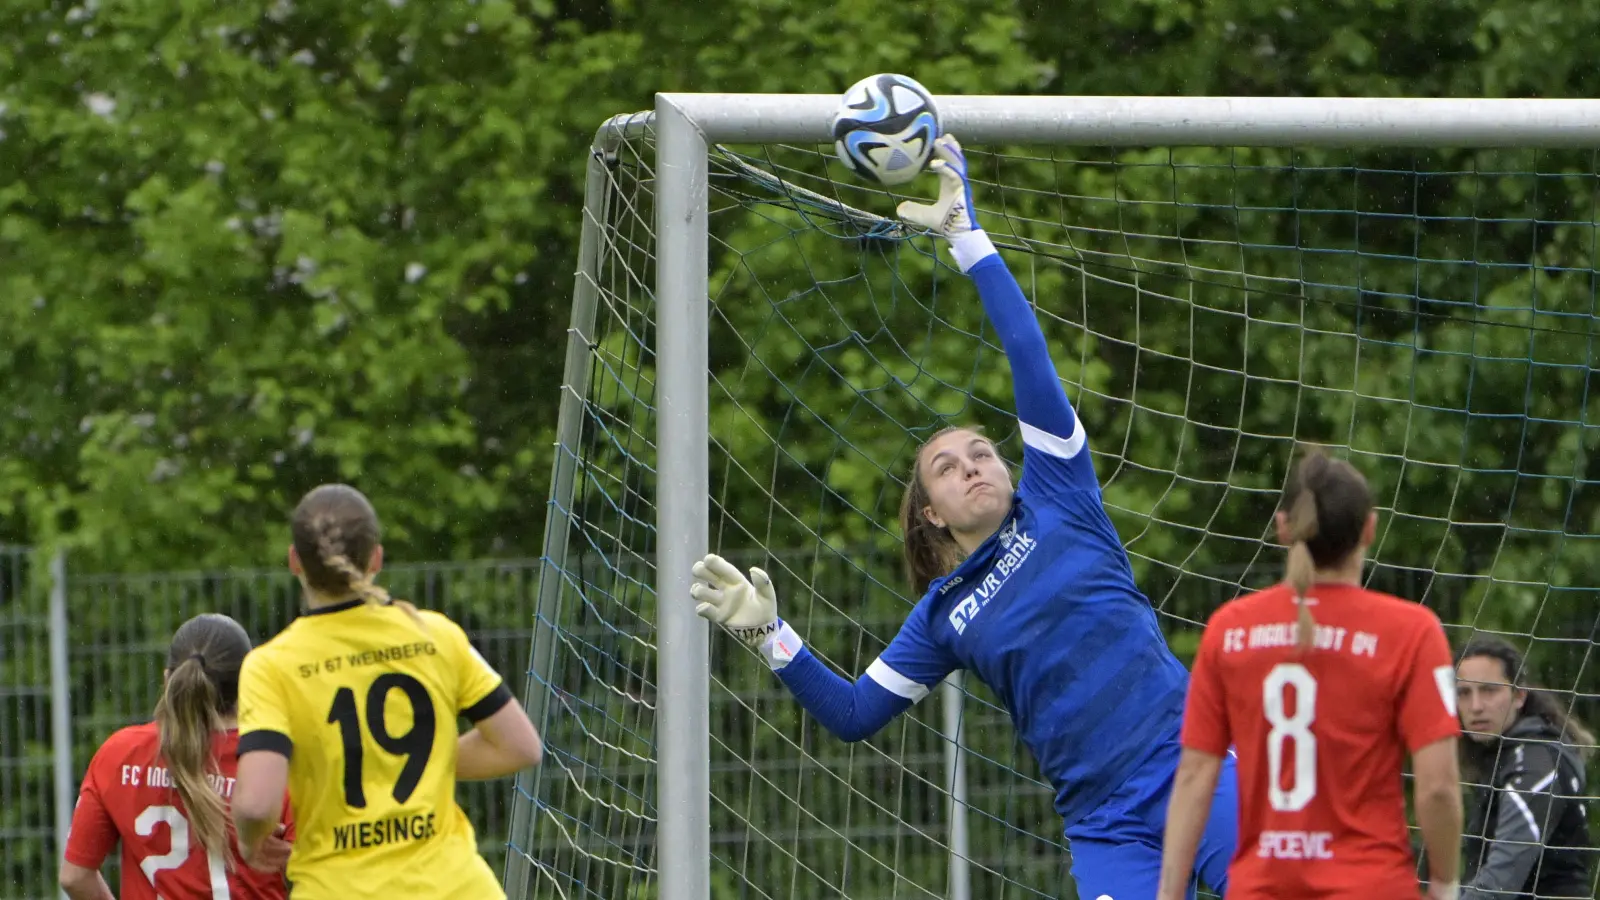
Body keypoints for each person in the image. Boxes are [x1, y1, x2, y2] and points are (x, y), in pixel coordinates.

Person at [689, 135, 1239, 899]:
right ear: (932, 518)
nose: (972, 464)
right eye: (946, 467)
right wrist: (766, 636)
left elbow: (1027, 354)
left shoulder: (1061, 495)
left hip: (1193, 766)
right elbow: (853, 714)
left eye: (981, 451)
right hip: (1103, 825)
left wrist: (966, 239)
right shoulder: (943, 615)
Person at [1155, 450, 1464, 900]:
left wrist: (1167, 894)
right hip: (1372, 886)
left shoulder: (1230, 630)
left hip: (1263, 887)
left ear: (1283, 527)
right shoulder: (1412, 633)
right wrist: (1445, 884)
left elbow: (1194, 776)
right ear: (1370, 529)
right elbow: (1438, 788)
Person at [231, 483, 543, 899]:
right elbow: (520, 747)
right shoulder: (435, 633)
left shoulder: (272, 666)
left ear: (294, 562)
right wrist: (415, 762)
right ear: (376, 557)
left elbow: (256, 804)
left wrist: (251, 842)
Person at [60, 613, 294, 900]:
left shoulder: (119, 753)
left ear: (168, 678)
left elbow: (75, 876)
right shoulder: (270, 761)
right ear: (246, 683)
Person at [1454, 636, 1595, 899]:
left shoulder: (1535, 761)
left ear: (1519, 696)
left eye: (1489, 690)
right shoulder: (1503, 755)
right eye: (1464, 693)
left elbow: (1501, 880)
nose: (1475, 706)